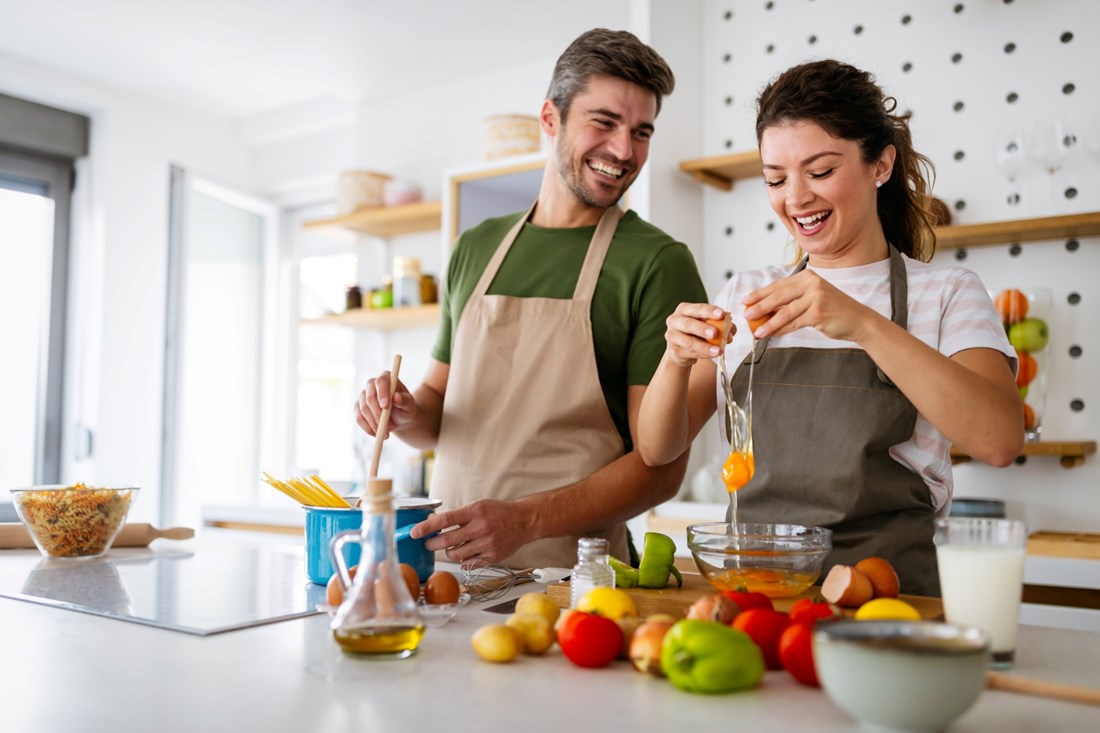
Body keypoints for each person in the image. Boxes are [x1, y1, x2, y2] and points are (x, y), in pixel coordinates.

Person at [636, 59, 1023, 596]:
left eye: (820, 171)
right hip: (757, 594)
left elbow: (1001, 440)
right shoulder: (749, 293)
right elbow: (657, 449)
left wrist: (862, 322)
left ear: (880, 165)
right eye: (775, 178)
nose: (795, 197)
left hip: (888, 599)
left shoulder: (948, 293)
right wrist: (674, 359)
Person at [354, 29, 707, 569]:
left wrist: (527, 521)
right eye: (604, 123)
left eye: (641, 132)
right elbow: (435, 415)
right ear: (550, 118)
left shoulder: (656, 262)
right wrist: (399, 412)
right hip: (445, 569)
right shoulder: (475, 246)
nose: (624, 151)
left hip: (574, 585)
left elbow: (661, 466)